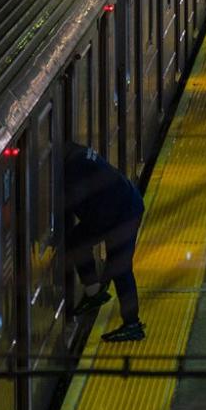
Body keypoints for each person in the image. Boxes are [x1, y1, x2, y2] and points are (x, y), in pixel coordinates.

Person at [63, 140, 147, 342]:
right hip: (120, 206)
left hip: (123, 213)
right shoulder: (77, 153)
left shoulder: (70, 169)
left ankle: (132, 325)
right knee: (77, 239)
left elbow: (78, 203)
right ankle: (94, 293)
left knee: (120, 268)